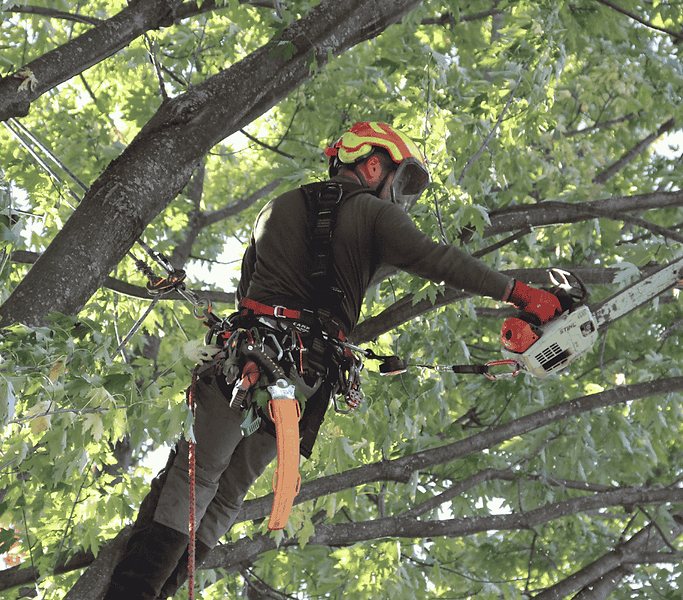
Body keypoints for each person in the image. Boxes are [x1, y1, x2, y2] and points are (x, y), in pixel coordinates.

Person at [103, 122, 566, 599]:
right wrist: (521, 292)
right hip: (301, 385)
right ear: (372, 165)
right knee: (224, 496)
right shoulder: (375, 216)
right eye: (399, 182)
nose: (398, 198)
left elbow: (247, 291)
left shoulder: (275, 210)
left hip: (243, 362)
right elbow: (436, 259)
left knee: (192, 478)